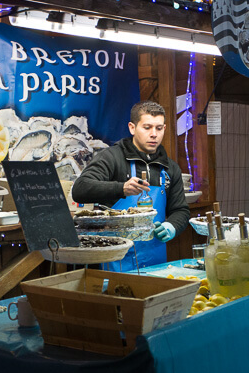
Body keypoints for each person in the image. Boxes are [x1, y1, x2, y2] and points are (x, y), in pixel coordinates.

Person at [71, 100, 190, 270]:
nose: (154, 134)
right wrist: (120, 188)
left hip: (154, 259)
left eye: (158, 128)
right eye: (147, 127)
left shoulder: (170, 168)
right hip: (115, 257)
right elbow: (80, 189)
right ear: (132, 128)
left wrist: (171, 227)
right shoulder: (112, 157)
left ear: (164, 129)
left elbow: (180, 210)